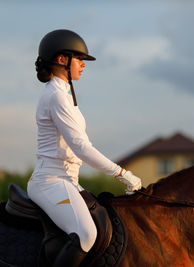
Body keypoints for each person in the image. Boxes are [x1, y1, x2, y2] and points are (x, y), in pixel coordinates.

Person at [28, 29, 142, 267]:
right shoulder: (56, 96)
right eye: (79, 59)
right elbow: (81, 147)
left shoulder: (64, 95)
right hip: (51, 181)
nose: (83, 65)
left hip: (68, 180)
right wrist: (122, 174)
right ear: (62, 60)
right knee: (87, 235)